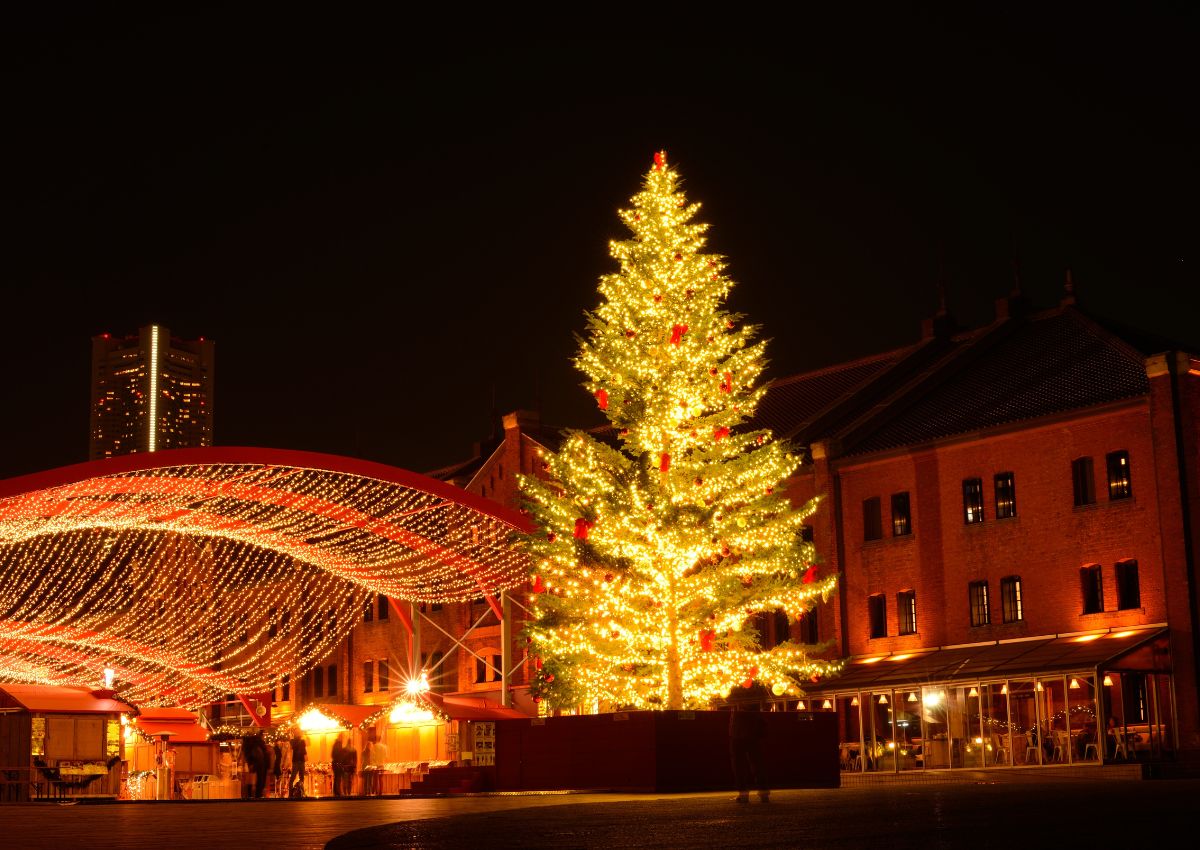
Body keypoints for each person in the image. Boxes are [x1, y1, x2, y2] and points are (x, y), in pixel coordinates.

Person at [728, 704, 769, 803]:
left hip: (738, 736)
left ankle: (743, 794)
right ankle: (764, 793)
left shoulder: (737, 701)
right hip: (753, 736)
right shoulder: (755, 705)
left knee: (739, 766)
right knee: (757, 764)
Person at [289, 730, 308, 798]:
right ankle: (295, 793)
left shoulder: (295, 741)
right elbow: (303, 750)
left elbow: (304, 749)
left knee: (297, 777)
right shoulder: (296, 741)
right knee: (297, 777)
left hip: (297, 761)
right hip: (298, 761)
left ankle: (296, 793)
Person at [331, 733, 346, 797]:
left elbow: (333, 754)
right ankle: (337, 792)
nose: (343, 739)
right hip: (337, 763)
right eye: (342, 737)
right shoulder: (338, 744)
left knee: (337, 777)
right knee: (338, 777)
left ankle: (336, 792)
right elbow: (337, 754)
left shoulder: (336, 744)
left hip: (335, 762)